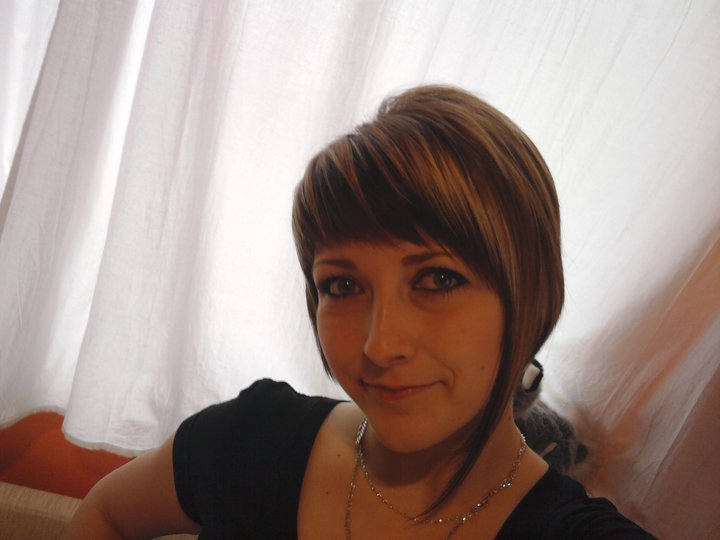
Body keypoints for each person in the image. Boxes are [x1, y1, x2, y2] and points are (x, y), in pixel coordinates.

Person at [69, 85, 654, 539]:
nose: (380, 344)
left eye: (439, 279)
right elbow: (106, 514)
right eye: (343, 285)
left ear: (530, 296)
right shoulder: (252, 440)